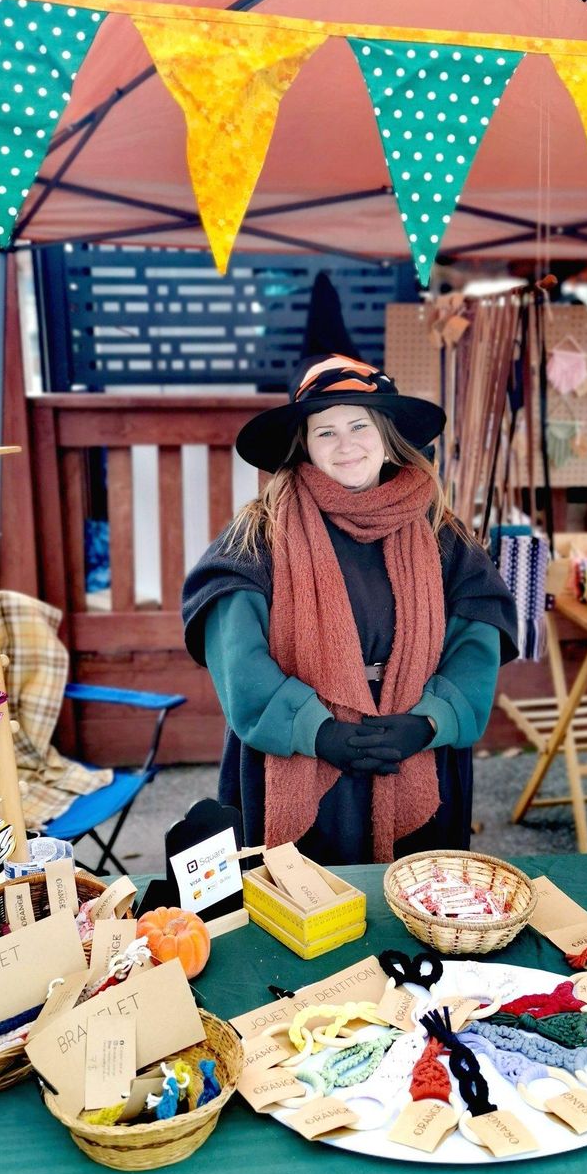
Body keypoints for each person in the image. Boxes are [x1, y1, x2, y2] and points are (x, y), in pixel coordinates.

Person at [182, 353, 518, 865]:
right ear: (304, 444)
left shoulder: (439, 531)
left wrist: (431, 721)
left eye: (359, 425)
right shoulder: (260, 532)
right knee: (302, 899)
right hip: (301, 748)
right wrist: (318, 732)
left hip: (414, 747)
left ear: (386, 435)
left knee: (418, 891)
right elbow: (236, 652)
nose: (346, 445)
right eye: (326, 432)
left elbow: (477, 635)